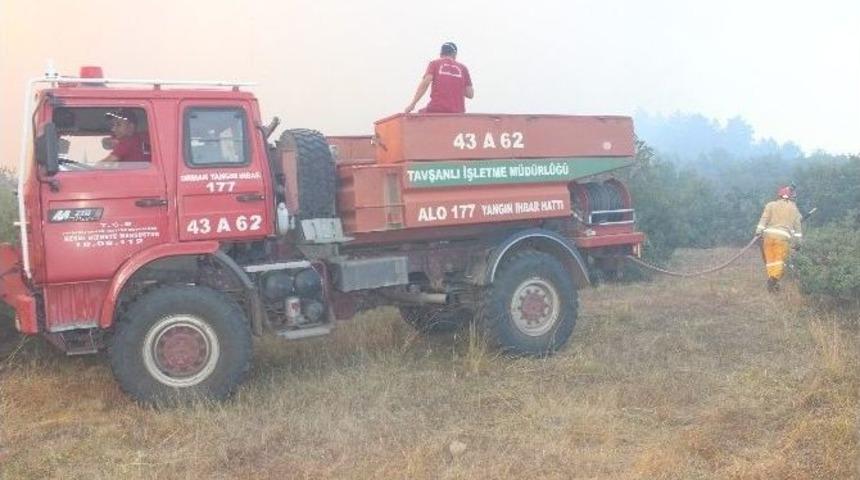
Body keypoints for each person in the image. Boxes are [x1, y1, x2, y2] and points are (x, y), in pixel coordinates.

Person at [755, 185, 803, 292]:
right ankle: (773, 280)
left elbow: (764, 219)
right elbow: (798, 229)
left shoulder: (770, 205)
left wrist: (758, 232)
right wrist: (798, 243)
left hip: (767, 238)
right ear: (791, 197)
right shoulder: (794, 209)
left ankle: (773, 284)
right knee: (780, 261)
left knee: (771, 262)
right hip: (782, 239)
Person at [405, 42, 474, 114]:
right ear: (454, 54)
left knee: (416, 119)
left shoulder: (435, 64)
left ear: (441, 53)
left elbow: (425, 83)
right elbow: (470, 94)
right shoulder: (463, 68)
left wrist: (412, 104)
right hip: (458, 112)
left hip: (436, 109)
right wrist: (454, 84)